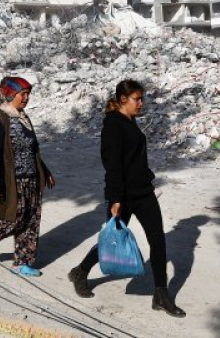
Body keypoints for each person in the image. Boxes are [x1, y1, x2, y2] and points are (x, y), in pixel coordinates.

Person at [67, 79, 186, 318]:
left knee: (158, 240)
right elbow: (112, 165)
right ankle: (80, 271)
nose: (141, 103)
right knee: (112, 239)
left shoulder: (130, 122)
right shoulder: (113, 125)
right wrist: (116, 199)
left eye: (142, 98)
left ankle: (160, 295)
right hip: (123, 195)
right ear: (123, 99)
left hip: (143, 191)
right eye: (137, 99)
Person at [0, 76, 55, 277]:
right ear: (11, 94)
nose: (26, 98)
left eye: (28, 94)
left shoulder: (24, 118)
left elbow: (33, 150)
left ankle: (22, 262)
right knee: (12, 218)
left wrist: (45, 171)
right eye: (22, 94)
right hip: (12, 180)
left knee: (31, 220)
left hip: (32, 178)